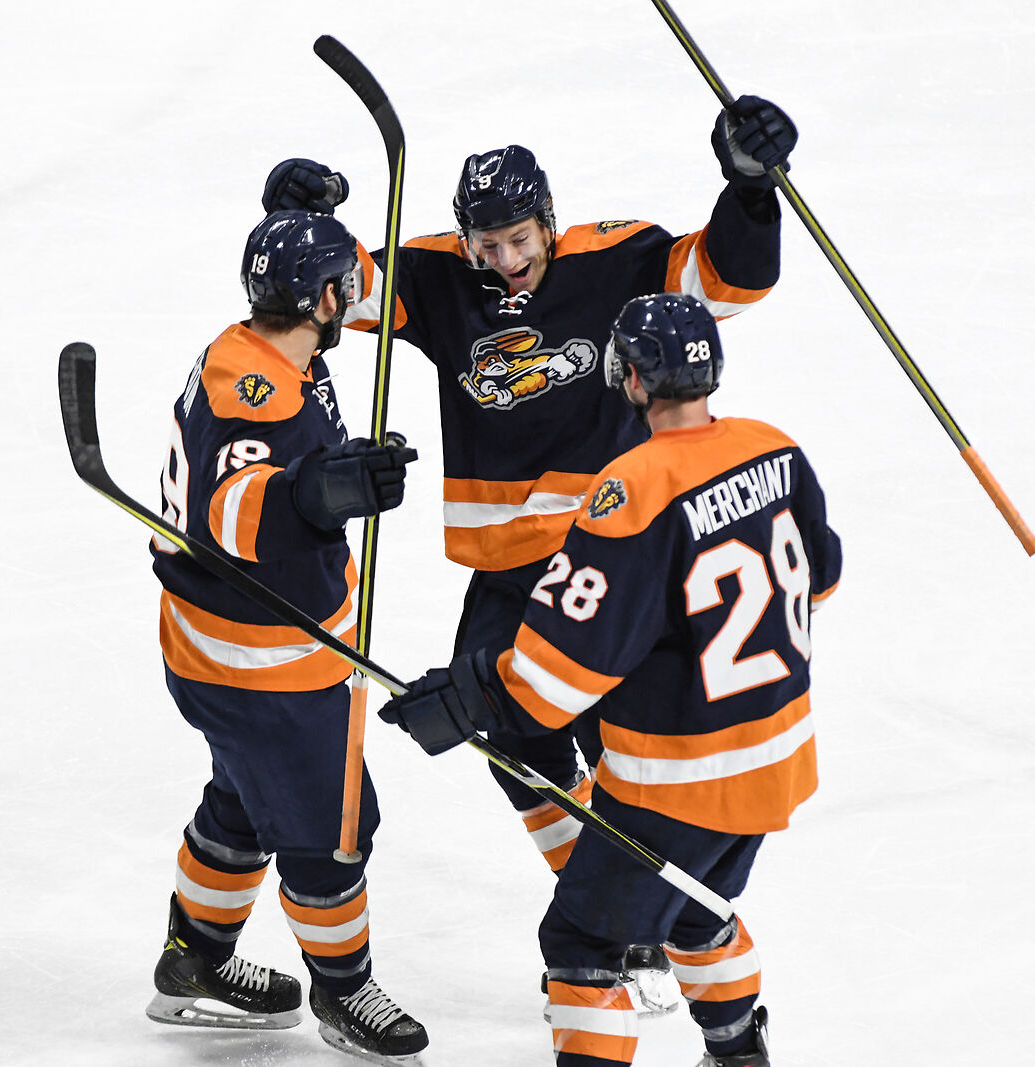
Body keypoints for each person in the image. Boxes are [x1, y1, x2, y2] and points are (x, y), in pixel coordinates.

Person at [262, 96, 799, 908]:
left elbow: (731, 278)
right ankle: (598, 894)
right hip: (507, 568)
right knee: (507, 733)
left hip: (601, 553)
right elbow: (336, 289)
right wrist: (294, 222)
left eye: (520, 238)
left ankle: (640, 915)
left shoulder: (618, 260)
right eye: (488, 243)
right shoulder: (442, 277)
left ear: (550, 222)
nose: (506, 258)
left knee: (615, 743)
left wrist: (752, 191)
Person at [378, 293, 842, 1067]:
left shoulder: (633, 487)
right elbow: (817, 583)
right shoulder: (776, 451)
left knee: (582, 942)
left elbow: (558, 676)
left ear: (627, 377)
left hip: (677, 778)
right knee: (697, 908)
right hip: (776, 759)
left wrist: (466, 692)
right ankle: (738, 1055)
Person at [143, 208, 427, 1062]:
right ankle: (345, 993)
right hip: (262, 667)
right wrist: (319, 492)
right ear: (326, 298)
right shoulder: (251, 390)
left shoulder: (262, 346)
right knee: (331, 828)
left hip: (222, 654)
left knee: (243, 799)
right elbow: (233, 510)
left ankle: (194, 959)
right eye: (349, 284)